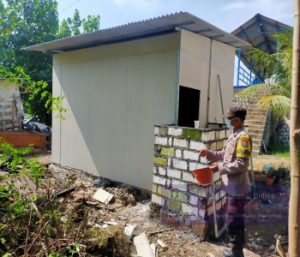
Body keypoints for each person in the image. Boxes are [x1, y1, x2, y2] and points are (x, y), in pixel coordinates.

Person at [198, 106, 252, 257]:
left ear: (237, 120)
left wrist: (220, 168)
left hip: (238, 188)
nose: (228, 122)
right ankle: (235, 249)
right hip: (231, 187)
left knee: (235, 220)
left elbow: (241, 164)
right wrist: (209, 154)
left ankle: (237, 253)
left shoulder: (243, 138)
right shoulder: (234, 134)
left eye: (230, 119)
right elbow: (225, 154)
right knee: (232, 218)